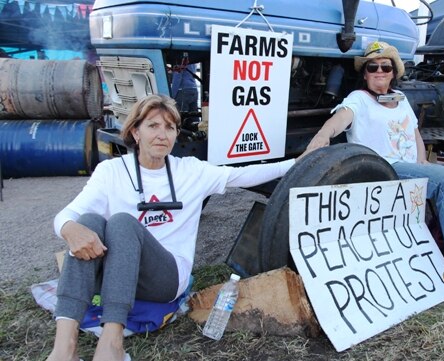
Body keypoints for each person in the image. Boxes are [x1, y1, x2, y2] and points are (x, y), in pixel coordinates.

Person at [47, 94, 301, 361]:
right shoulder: (111, 171)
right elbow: (67, 215)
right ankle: (64, 348)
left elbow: (244, 174)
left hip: (163, 279)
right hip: (116, 276)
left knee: (122, 222)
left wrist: (296, 163)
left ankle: (112, 345)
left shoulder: (190, 171)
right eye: (153, 126)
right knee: (87, 222)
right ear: (135, 131)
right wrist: (69, 228)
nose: (162, 135)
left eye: (169, 127)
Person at [306, 41, 444, 291]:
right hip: (383, 168)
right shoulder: (358, 99)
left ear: (394, 72)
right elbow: (340, 118)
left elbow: (415, 135)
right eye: (373, 67)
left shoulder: (400, 99)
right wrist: (323, 135)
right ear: (365, 73)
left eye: (385, 67)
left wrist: (422, 161)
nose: (379, 71)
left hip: (410, 167)